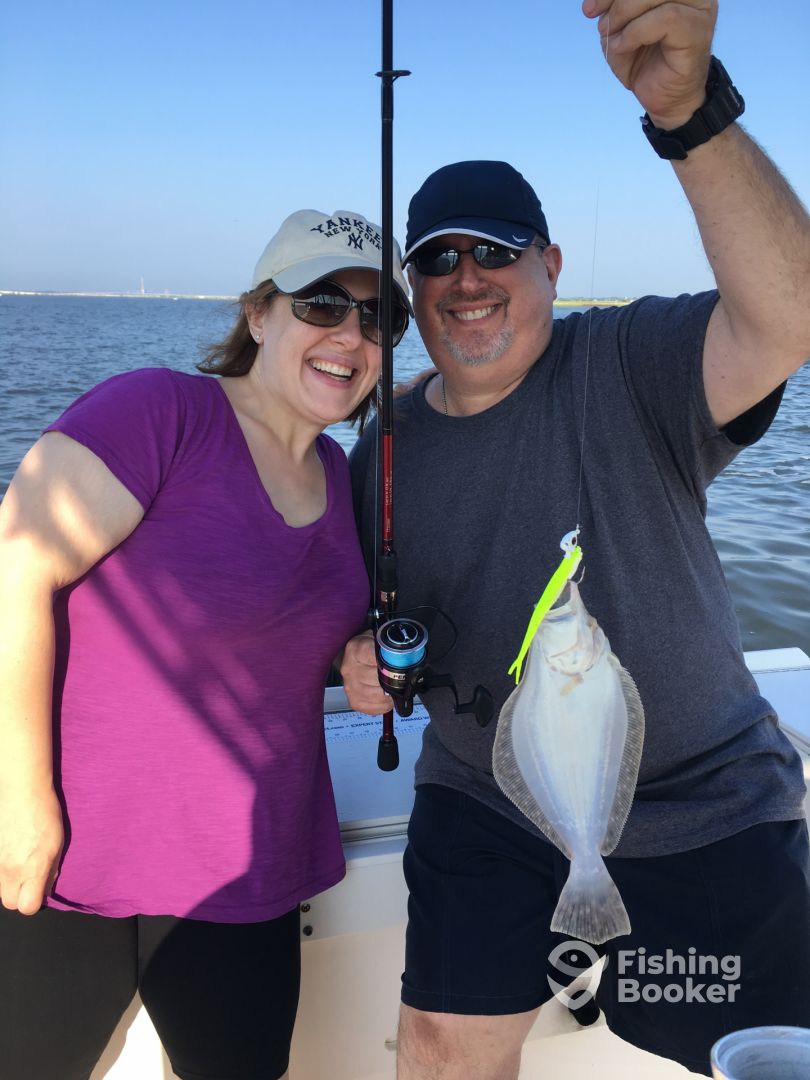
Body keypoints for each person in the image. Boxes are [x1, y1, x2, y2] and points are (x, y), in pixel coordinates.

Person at [341, 3, 810, 1077]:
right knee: (440, 1047)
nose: (467, 278)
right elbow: (358, 621)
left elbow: (787, 319)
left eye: (496, 250)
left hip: (700, 799)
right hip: (485, 799)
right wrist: (357, 658)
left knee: (753, 1050)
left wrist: (690, 113)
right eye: (439, 258)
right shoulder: (383, 448)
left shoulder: (629, 360)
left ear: (551, 263)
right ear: (414, 291)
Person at [0, 208, 410, 1080]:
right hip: (73, 853)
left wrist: (350, 659)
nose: (350, 334)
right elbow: (15, 570)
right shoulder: (159, 411)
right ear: (258, 313)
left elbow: (281, 629)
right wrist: (21, 803)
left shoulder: (338, 476)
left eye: (379, 317)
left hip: (244, 872)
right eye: (322, 303)